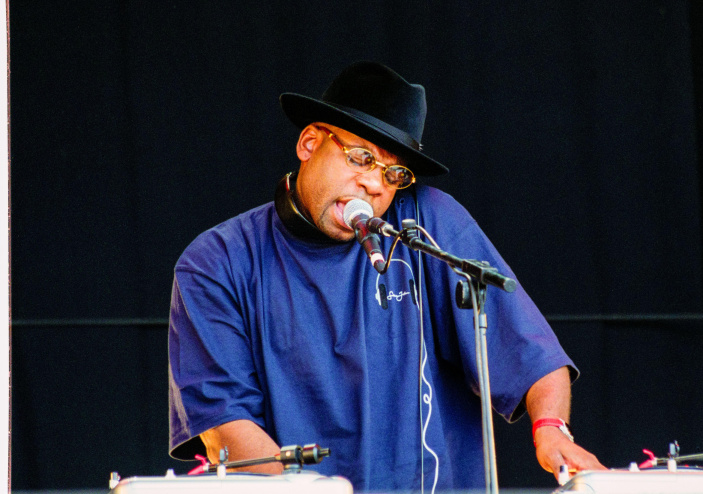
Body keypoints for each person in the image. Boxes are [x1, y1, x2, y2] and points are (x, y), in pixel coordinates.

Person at [168, 61, 605, 491]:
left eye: (394, 173)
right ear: (309, 143)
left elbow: (532, 354)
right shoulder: (217, 262)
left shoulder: (427, 225)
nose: (376, 186)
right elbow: (224, 425)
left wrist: (551, 429)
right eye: (362, 158)